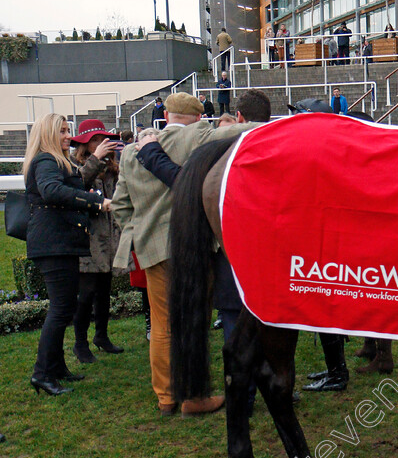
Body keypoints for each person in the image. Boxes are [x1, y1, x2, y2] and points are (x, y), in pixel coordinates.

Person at [112, 92, 256, 417]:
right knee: (195, 321)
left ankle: (165, 398)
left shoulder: (132, 152)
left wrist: (142, 230)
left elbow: (121, 205)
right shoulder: (199, 136)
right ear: (196, 116)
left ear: (167, 114)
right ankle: (193, 396)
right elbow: (243, 133)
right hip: (194, 244)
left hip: (153, 248)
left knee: (162, 325)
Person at [24, 114, 108, 395]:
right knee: (61, 309)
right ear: (47, 134)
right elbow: (51, 191)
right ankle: (42, 373)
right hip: (53, 243)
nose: (67, 136)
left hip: (59, 242)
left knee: (64, 307)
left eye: (67, 130)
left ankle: (56, 367)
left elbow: (66, 190)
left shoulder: (55, 161)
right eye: (61, 131)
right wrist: (97, 201)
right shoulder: (46, 161)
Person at [69, 120, 125, 364]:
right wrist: (96, 159)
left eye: (103, 139)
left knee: (104, 290)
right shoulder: (73, 165)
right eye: (94, 140)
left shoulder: (112, 166)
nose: (100, 144)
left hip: (110, 237)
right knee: (86, 293)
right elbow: (75, 186)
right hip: (87, 238)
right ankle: (80, 343)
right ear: (84, 144)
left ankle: (101, 336)